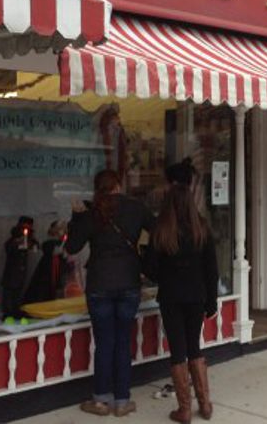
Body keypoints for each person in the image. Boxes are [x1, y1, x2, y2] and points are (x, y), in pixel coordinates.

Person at [67, 170, 155, 417]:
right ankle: (122, 401)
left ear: (97, 189)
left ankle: (100, 401)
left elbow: (72, 246)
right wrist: (146, 258)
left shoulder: (91, 213)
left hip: (99, 285)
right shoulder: (136, 207)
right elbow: (158, 230)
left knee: (104, 342)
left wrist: (76, 217)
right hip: (129, 282)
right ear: (118, 185)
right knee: (123, 341)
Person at [150, 160, 218, 423]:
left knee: (177, 350)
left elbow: (152, 269)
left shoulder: (162, 229)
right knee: (194, 347)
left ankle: (185, 409)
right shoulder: (202, 227)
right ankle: (205, 404)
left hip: (171, 297)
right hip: (196, 295)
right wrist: (212, 302)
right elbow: (211, 269)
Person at [23, 219, 68, 305]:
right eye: (60, 229)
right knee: (43, 288)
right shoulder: (49, 242)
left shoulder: (62, 242)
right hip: (47, 268)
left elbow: (64, 254)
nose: (62, 231)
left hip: (59, 267)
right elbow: (52, 251)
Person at [0, 215, 37, 318]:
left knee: (18, 291)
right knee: (9, 291)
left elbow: (35, 246)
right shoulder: (12, 241)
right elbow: (9, 248)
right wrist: (18, 243)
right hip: (12, 271)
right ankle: (8, 311)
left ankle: (15, 310)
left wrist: (30, 245)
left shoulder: (29, 240)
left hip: (21, 271)